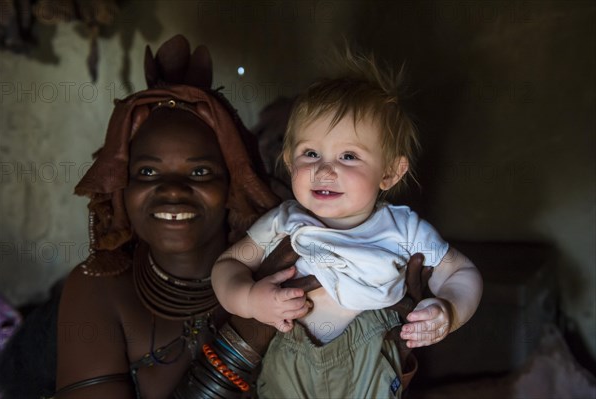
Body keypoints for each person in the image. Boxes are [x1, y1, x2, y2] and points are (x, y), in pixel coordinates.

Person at [212, 50, 483, 398]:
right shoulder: (283, 221)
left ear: (390, 172)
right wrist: (249, 298)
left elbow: (462, 273)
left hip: (368, 361)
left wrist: (449, 309)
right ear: (288, 160)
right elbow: (228, 265)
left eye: (349, 156)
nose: (325, 170)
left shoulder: (403, 229)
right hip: (289, 361)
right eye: (310, 153)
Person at [54, 34, 312, 399]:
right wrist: (246, 336)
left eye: (200, 173)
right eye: (146, 172)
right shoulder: (97, 288)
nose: (173, 190)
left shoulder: (286, 269)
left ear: (232, 186)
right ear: (120, 190)